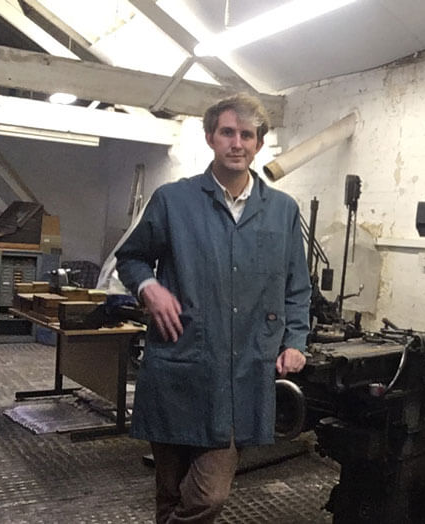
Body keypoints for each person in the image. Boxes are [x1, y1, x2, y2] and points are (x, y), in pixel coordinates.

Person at [116, 93, 311, 523]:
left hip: (240, 377)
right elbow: (130, 257)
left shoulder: (281, 211)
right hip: (178, 366)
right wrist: (148, 286)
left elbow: (298, 286)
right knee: (168, 491)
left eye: (247, 134)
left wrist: (296, 340)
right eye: (228, 133)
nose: (237, 143)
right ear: (210, 138)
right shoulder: (173, 201)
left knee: (208, 496)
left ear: (259, 144)